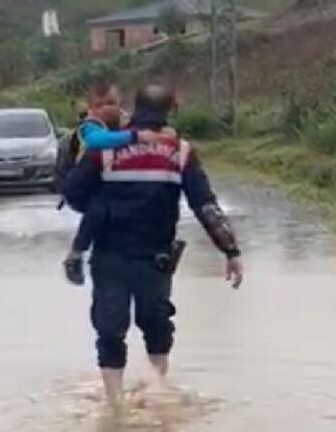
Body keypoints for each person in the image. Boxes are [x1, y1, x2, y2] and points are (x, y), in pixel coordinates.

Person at [62, 84, 244, 405]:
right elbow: (206, 206)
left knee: (109, 328)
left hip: (109, 255)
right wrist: (230, 251)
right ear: (170, 110)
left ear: (134, 107)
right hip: (155, 258)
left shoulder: (106, 148)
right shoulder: (180, 151)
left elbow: (73, 193)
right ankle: (157, 391)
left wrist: (102, 203)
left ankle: (115, 406)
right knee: (157, 325)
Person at [61, 82, 173, 285]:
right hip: (81, 186)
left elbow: (150, 131)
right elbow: (98, 141)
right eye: (100, 104)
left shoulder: (124, 121)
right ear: (90, 108)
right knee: (100, 205)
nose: (108, 108)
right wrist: (135, 136)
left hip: (107, 179)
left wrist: (164, 132)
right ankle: (76, 254)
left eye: (112, 103)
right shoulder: (89, 127)